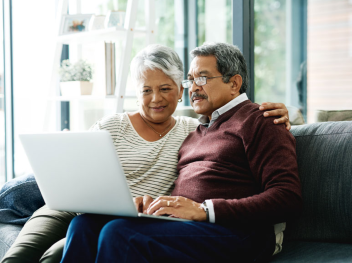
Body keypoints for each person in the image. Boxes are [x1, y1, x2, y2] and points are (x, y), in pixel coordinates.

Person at [1, 44, 290, 263]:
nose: (193, 89)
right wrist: (154, 205)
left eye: (201, 78)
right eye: (192, 80)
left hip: (238, 230)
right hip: (178, 222)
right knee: (84, 224)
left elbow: (287, 197)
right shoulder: (200, 129)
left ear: (234, 83)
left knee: (118, 233)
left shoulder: (261, 119)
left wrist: (203, 210)